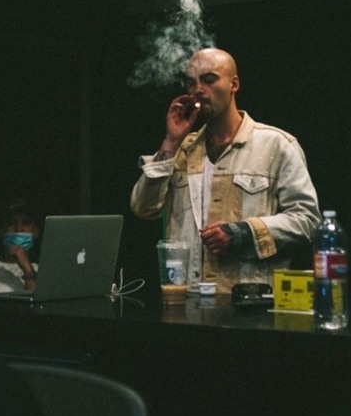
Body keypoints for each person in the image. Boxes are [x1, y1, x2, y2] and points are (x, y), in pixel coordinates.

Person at [131, 48, 321, 293]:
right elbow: (143, 209)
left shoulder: (276, 146)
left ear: (234, 84)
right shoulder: (181, 150)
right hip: (188, 299)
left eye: (209, 80)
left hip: (250, 301)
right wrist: (170, 142)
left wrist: (243, 233)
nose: (198, 90)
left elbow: (308, 220)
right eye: (191, 83)